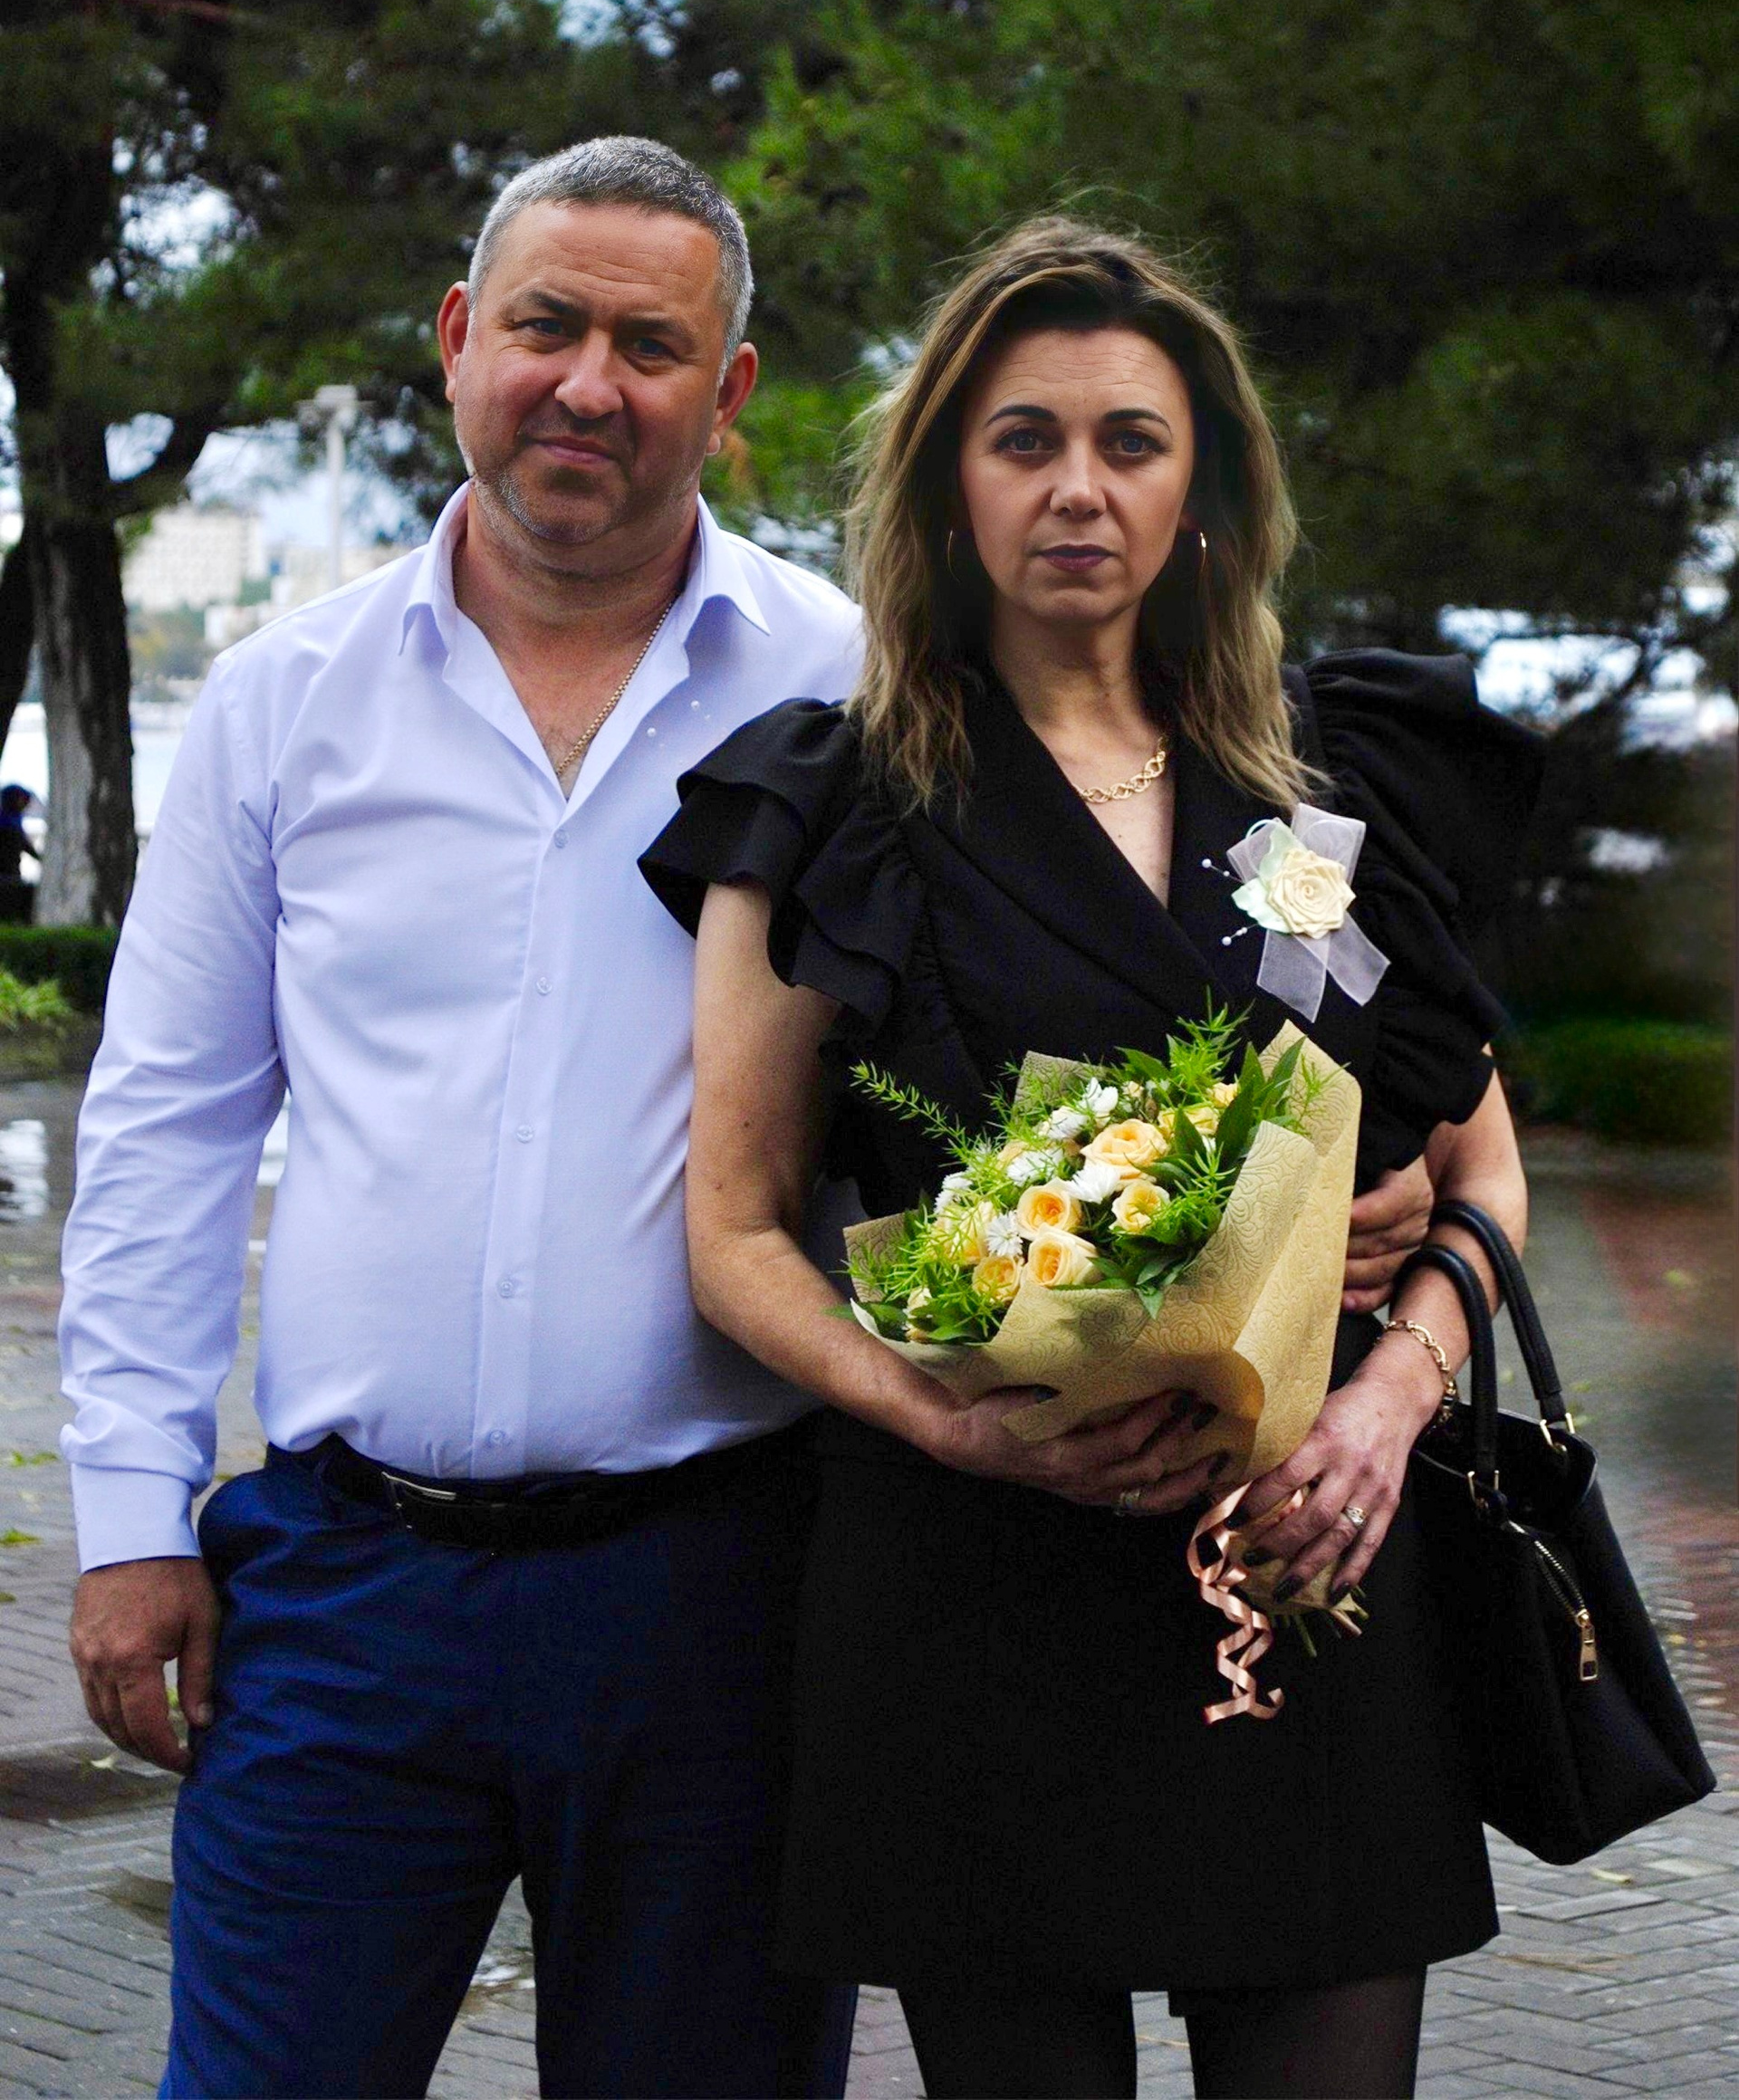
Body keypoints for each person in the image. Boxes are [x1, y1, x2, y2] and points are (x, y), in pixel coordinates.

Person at [641, 217, 1543, 2100]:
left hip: (1304, 1568)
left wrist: (1386, 1410)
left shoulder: (1315, 799)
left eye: (1131, 441)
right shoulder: (831, 802)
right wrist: (951, 1417)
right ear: (945, 486)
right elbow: (733, 1235)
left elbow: (1482, 1173)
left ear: (1201, 487)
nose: (1078, 488)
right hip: (968, 1597)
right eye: (1022, 438)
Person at [58, 139, 865, 2100]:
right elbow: (167, 1128)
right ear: (456, 339)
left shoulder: (854, 690)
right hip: (343, 1603)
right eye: (545, 324)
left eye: (650, 346)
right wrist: (128, 1521)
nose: (588, 382)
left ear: (730, 393)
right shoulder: (285, 699)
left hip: (723, 1603)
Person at [0, 782, 39, 923]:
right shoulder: (8, 823)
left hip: (13, 872)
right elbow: (24, 845)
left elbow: (25, 846)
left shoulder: (15, 821)